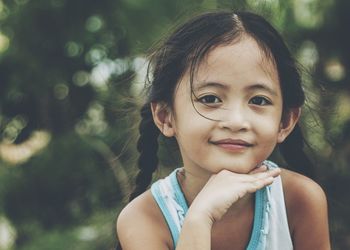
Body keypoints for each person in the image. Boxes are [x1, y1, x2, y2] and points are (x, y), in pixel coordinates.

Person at [116, 11, 330, 250]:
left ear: (285, 121)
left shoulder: (300, 200)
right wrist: (198, 220)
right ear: (166, 117)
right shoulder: (144, 219)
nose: (236, 121)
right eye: (210, 98)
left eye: (258, 101)